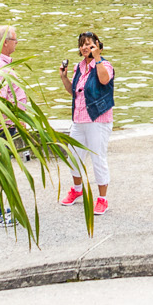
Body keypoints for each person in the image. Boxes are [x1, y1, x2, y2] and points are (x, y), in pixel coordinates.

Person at [58, 32, 114, 214]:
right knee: (73, 156)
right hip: (79, 119)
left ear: (97, 45)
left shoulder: (104, 65)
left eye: (88, 44)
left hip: (97, 120)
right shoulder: (79, 67)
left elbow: (104, 80)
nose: (84, 47)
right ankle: (76, 190)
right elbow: (74, 92)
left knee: (98, 159)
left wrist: (97, 58)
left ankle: (102, 199)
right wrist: (64, 78)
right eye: (82, 44)